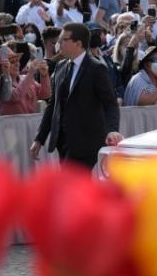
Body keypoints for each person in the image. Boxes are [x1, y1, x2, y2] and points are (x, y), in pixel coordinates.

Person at [31, 23, 122, 169]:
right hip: (63, 142)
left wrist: (112, 129)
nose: (59, 43)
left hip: (87, 143)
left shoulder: (96, 68)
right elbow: (53, 105)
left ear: (78, 43)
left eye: (63, 40)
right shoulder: (60, 67)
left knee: (77, 187)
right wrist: (39, 138)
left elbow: (110, 103)